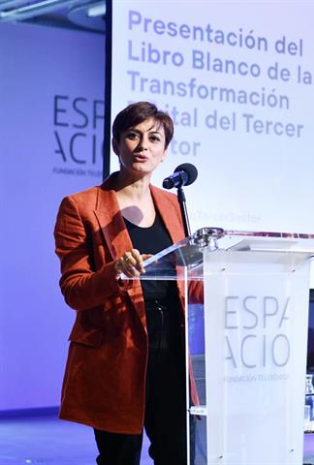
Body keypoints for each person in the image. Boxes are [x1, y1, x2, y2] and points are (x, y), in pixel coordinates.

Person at [54, 102, 195, 465]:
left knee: (178, 456)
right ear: (116, 144)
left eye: (154, 138)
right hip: (119, 352)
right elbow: (74, 290)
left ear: (164, 153)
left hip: (173, 353)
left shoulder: (174, 205)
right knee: (120, 459)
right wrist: (115, 270)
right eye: (133, 135)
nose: (142, 145)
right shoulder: (81, 206)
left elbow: (188, 282)